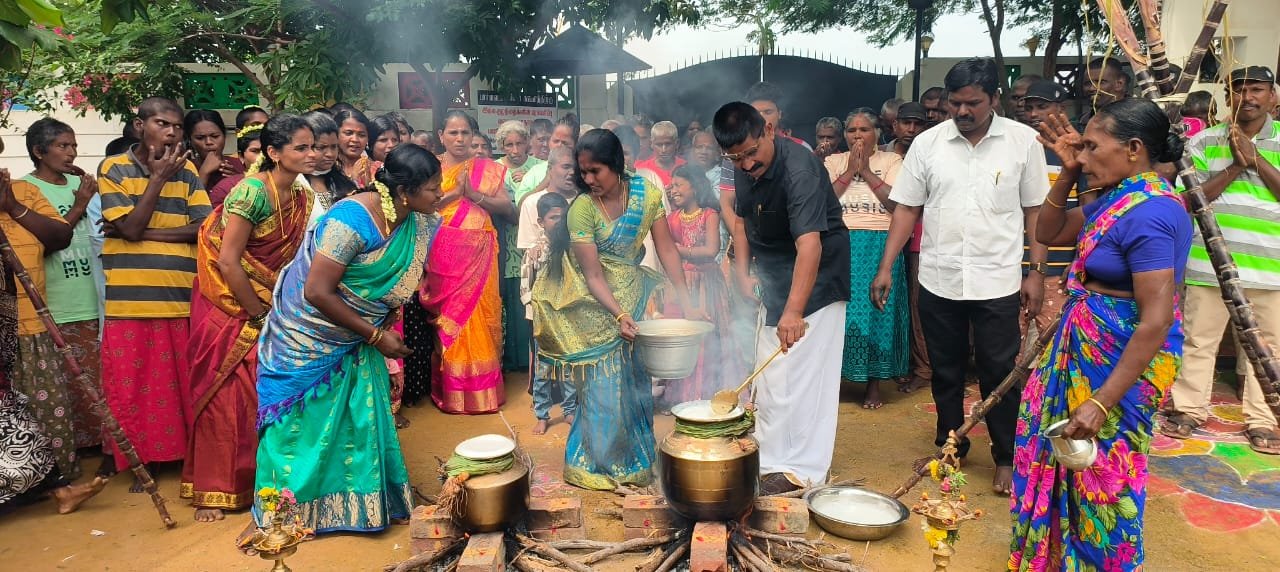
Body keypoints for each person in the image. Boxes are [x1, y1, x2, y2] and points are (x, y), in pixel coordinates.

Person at [1010, 99, 1192, 571]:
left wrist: (1101, 401)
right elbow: (1048, 231)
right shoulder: (1118, 197)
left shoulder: (1151, 213)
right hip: (1085, 345)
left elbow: (1155, 319)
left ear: (1133, 149)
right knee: (1068, 462)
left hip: (1118, 365)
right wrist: (1069, 173)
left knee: (1104, 478)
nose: (1083, 155)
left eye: (1092, 147)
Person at [872, 59, 1050, 495]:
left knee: (998, 372)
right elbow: (908, 208)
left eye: (973, 103)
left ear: (994, 99)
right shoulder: (928, 144)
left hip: (998, 281)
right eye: (955, 102)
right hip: (940, 278)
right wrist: (886, 267)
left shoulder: (1024, 142)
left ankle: (1005, 456)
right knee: (946, 372)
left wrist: (1036, 272)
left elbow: (1036, 213)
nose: (962, 111)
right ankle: (951, 446)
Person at [254, 144, 442, 534]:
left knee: (356, 419)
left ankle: (357, 509)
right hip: (308, 334)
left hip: (357, 334)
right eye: (433, 188)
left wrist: (380, 322)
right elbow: (317, 291)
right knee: (301, 427)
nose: (440, 195)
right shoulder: (350, 220)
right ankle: (286, 515)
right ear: (405, 191)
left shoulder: (415, 220)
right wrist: (375, 335)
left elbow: (393, 282)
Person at [531, 129, 697, 490]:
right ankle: (598, 464)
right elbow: (592, 275)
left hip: (632, 298)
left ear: (617, 166)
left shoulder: (647, 194)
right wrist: (618, 314)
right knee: (603, 388)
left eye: (596, 172)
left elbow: (667, 249)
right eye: (583, 173)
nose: (588, 180)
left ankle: (634, 459)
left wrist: (686, 301)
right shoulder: (582, 210)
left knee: (633, 383)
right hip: (593, 307)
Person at [183, 115, 316, 523]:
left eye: (313, 147)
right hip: (228, 302)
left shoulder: (300, 195)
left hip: (267, 300)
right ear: (274, 153)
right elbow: (227, 260)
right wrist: (259, 314)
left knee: (264, 392)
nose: (312, 155)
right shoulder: (250, 194)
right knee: (228, 393)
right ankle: (214, 489)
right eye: (302, 148)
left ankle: (266, 481)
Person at [715, 102, 850, 494]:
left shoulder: (800, 169)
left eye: (751, 153)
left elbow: (810, 245)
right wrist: (742, 271)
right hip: (775, 273)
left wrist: (793, 312)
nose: (745, 165)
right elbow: (740, 221)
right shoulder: (743, 167)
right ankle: (773, 456)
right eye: (735, 158)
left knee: (803, 374)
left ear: (769, 130)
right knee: (772, 372)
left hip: (817, 277)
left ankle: (801, 471)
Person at [98, 97, 212, 491]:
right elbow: (127, 228)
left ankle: (184, 458)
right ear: (139, 125)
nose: (172, 132)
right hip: (130, 300)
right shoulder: (113, 168)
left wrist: (139, 231)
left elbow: (202, 228)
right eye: (162, 124)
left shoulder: (190, 171)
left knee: (182, 383)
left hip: (181, 295)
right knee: (132, 385)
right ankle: (141, 461)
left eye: (177, 127)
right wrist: (158, 180)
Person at [1164, 66, 1280, 454]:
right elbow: (1189, 199)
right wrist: (1234, 165)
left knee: (1269, 348)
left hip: (1270, 268)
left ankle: (1263, 420)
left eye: (1257, 89)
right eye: (1239, 89)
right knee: (1198, 341)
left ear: (1272, 96)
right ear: (1228, 96)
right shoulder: (1203, 142)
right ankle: (1188, 409)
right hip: (1209, 263)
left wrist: (1257, 160)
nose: (1248, 96)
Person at [20, 119, 108, 466]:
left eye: (73, 146)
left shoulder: (83, 184)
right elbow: (50, 240)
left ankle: (104, 449)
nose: (71, 152)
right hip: (57, 299)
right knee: (67, 383)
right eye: (62, 146)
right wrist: (79, 204)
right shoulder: (25, 191)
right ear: (39, 152)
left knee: (99, 380)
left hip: (93, 295)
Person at [419, 111, 513, 414]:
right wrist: (453, 195)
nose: (460, 139)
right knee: (450, 323)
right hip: (443, 254)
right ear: (441, 135)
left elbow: (508, 209)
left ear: (474, 135)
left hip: (480, 254)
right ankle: (454, 392)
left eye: (465, 133)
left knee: (479, 318)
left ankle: (483, 393)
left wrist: (472, 195)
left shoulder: (486, 169)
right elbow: (423, 208)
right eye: (453, 133)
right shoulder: (429, 167)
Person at [1, 148, 79, 483]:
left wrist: (12, 207)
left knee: (47, 409)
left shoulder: (25, 191)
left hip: (31, 322)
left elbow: (61, 236)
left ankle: (57, 484)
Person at [824, 109, 906, 409]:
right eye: (852, 130)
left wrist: (867, 172)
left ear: (877, 133)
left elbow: (897, 204)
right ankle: (834, 380)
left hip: (880, 241)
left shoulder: (892, 161)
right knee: (839, 314)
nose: (857, 136)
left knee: (877, 311)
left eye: (864, 129)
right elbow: (824, 201)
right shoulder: (833, 162)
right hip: (841, 242)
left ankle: (874, 382)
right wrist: (849, 172)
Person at [659, 164, 740, 408]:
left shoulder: (709, 215)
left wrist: (679, 250)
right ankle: (682, 395)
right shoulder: (671, 219)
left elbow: (711, 250)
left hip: (706, 283)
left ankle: (705, 393)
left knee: (707, 336)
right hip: (681, 284)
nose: (673, 190)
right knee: (681, 338)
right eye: (671, 186)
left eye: (678, 185)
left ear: (694, 187)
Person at [1021, 79, 1097, 334]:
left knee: (1052, 342)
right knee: (1013, 352)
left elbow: (1089, 208)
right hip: (1012, 265)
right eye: (1028, 107)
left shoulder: (1077, 150)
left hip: (1059, 265)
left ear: (1060, 108)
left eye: (1041, 107)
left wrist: (1079, 258)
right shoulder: (1018, 146)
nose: (1033, 114)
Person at [521, 192, 575, 435]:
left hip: (567, 318)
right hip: (542, 320)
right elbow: (525, 287)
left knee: (569, 367)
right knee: (543, 370)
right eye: (554, 217)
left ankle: (570, 410)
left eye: (563, 217)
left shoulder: (573, 248)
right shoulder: (534, 251)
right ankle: (542, 415)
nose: (559, 222)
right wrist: (535, 313)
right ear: (541, 222)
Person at [496, 120, 545, 374]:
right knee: (511, 298)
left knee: (530, 297)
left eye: (519, 143)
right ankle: (511, 360)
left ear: (528, 142)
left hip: (533, 240)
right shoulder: (494, 169)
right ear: (501, 146)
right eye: (509, 144)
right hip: (505, 241)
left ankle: (531, 359)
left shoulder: (539, 168)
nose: (515, 150)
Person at [207, 124, 263, 208]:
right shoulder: (226, 188)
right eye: (255, 151)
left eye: (267, 150)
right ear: (241, 156)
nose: (263, 156)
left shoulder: (287, 184)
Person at [184, 110, 231, 190]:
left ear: (224, 136)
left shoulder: (238, 164)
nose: (209, 142)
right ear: (189, 140)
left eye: (215, 136)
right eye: (200, 138)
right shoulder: (184, 168)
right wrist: (204, 173)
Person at [1080, 57, 1130, 127]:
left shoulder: (1136, 119)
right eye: (1087, 83)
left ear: (1119, 83)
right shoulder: (1081, 121)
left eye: (1100, 82)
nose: (1091, 88)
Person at [333, 108, 375, 189]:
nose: (355, 139)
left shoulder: (377, 169)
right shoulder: (327, 168)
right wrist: (353, 181)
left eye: (361, 135)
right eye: (349, 133)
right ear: (336, 134)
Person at [636, 121, 685, 187]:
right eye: (659, 145)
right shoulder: (642, 171)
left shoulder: (686, 167)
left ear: (677, 144)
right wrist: (661, 194)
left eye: (668, 144)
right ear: (651, 144)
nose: (663, 150)